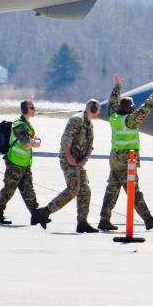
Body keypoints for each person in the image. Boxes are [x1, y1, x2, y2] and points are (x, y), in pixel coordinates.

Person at [97, 74, 153, 231]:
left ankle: (104, 220)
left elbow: (113, 102)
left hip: (114, 160)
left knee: (111, 191)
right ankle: (148, 219)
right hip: (127, 161)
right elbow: (145, 109)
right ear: (130, 108)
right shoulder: (130, 120)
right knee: (134, 192)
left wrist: (117, 87)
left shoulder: (114, 117)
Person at [34, 100, 101, 233]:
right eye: (95, 107)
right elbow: (65, 140)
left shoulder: (89, 125)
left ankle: (82, 223)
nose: (96, 110)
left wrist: (85, 159)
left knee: (85, 191)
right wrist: (70, 158)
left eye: (97, 108)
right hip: (68, 159)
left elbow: (90, 146)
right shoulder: (76, 120)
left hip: (78, 162)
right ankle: (44, 212)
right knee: (73, 189)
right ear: (90, 108)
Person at [0, 100, 42, 225]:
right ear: (26, 110)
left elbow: (33, 142)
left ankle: (35, 215)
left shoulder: (28, 126)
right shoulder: (19, 125)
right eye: (32, 108)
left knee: (28, 189)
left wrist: (34, 142)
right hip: (14, 163)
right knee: (9, 189)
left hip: (24, 163)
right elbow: (26, 144)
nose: (34, 109)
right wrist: (34, 143)